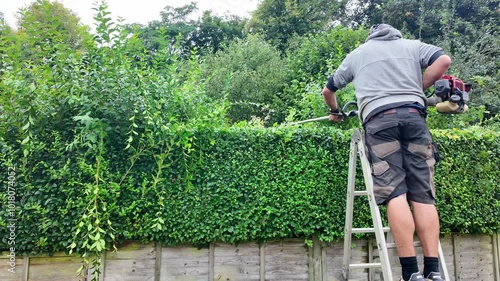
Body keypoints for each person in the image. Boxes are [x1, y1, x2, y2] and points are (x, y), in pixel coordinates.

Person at [321, 24, 451, 281]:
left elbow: (329, 90)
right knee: (423, 196)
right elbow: (443, 60)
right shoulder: (412, 46)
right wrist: (419, 89)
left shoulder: (358, 54)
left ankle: (411, 273)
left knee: (394, 192)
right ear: (396, 35)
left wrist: (335, 112)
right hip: (415, 119)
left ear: (370, 37)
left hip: (380, 123)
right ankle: (434, 271)